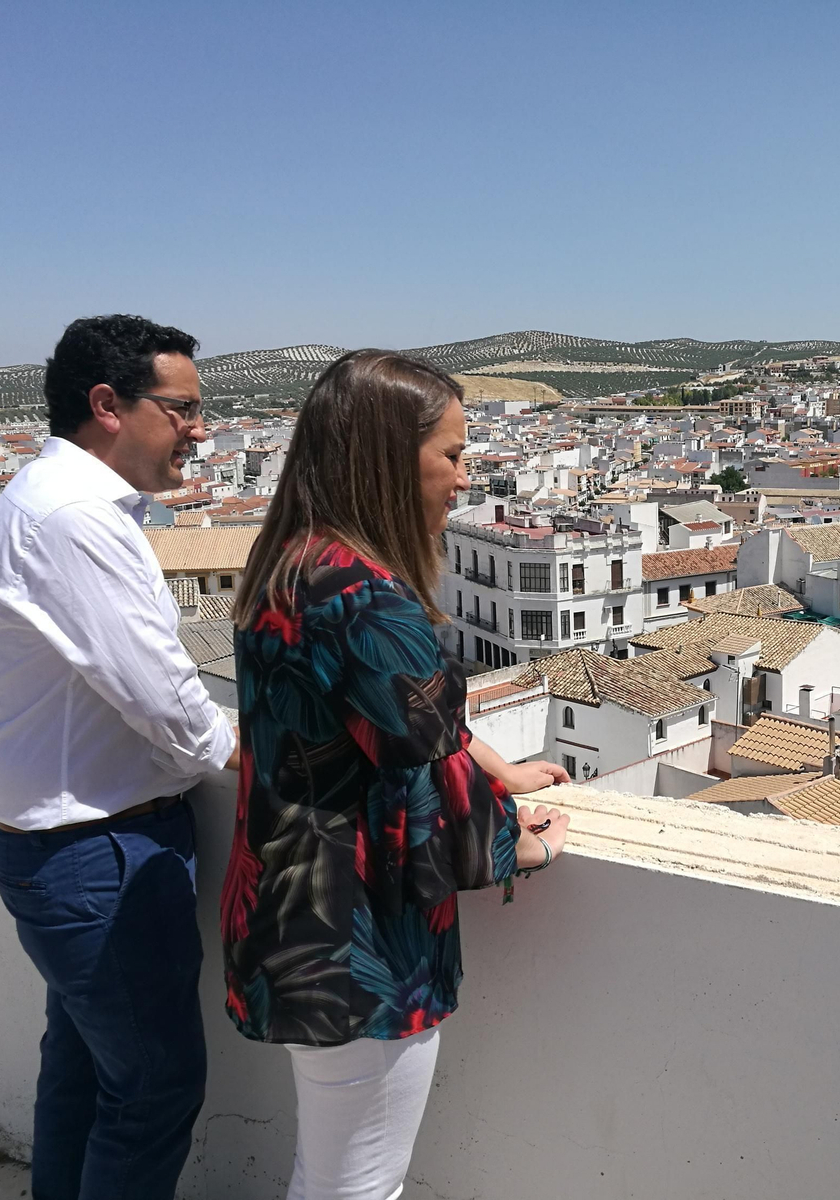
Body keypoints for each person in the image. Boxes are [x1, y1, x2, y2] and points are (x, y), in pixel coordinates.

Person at [226, 349, 570, 1199]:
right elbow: (424, 762)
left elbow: (401, 722)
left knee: (330, 1170)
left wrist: (500, 767)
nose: (464, 477)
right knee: (359, 1184)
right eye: (450, 455)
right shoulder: (364, 594)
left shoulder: (295, 564)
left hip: (289, 906)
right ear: (386, 455)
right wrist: (516, 844)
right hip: (357, 940)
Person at [0, 314, 242, 1199]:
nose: (202, 430)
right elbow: (167, 699)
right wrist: (269, 763)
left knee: (83, 1078)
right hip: (99, 855)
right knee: (153, 1090)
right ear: (107, 406)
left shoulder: (42, 498)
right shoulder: (77, 517)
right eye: (184, 409)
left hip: (68, 847)